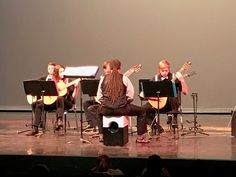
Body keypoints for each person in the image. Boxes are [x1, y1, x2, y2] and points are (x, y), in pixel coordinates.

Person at [89, 58, 149, 143]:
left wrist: (106, 103)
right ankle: (140, 137)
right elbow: (130, 96)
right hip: (122, 109)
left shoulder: (103, 79)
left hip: (106, 110)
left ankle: (101, 135)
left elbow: (99, 97)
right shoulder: (125, 78)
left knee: (98, 112)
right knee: (142, 111)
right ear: (119, 68)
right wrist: (124, 102)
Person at [26, 63, 79, 135]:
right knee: (38, 104)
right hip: (52, 102)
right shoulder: (53, 82)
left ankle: (59, 120)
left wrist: (76, 88)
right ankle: (36, 128)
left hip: (66, 103)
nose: (62, 73)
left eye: (63, 71)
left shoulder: (68, 81)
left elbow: (73, 99)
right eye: (60, 72)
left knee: (60, 98)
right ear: (56, 73)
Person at [142, 59, 189, 133]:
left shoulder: (174, 77)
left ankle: (174, 118)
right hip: (158, 104)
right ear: (159, 70)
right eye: (162, 71)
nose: (164, 73)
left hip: (171, 105)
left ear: (169, 69)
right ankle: (157, 127)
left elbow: (185, 92)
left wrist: (182, 80)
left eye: (166, 71)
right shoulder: (155, 78)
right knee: (142, 110)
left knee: (173, 95)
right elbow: (146, 93)